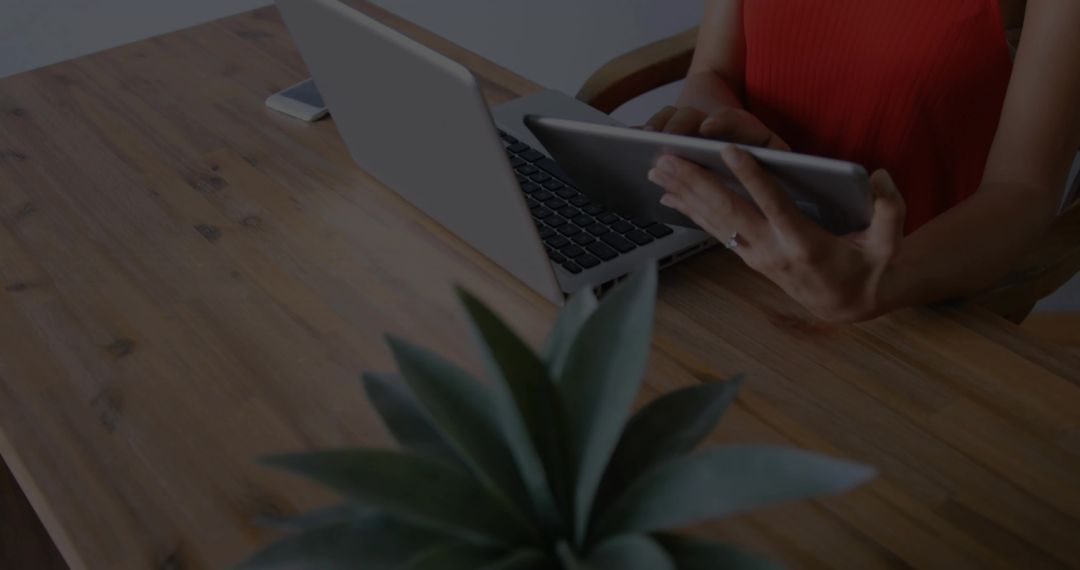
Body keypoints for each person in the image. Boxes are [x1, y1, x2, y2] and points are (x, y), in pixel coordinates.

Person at [644, 0, 1080, 323]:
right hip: (729, 257)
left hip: (908, 301)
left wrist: (884, 279)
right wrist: (712, 132)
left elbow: (1023, 188)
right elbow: (713, 73)